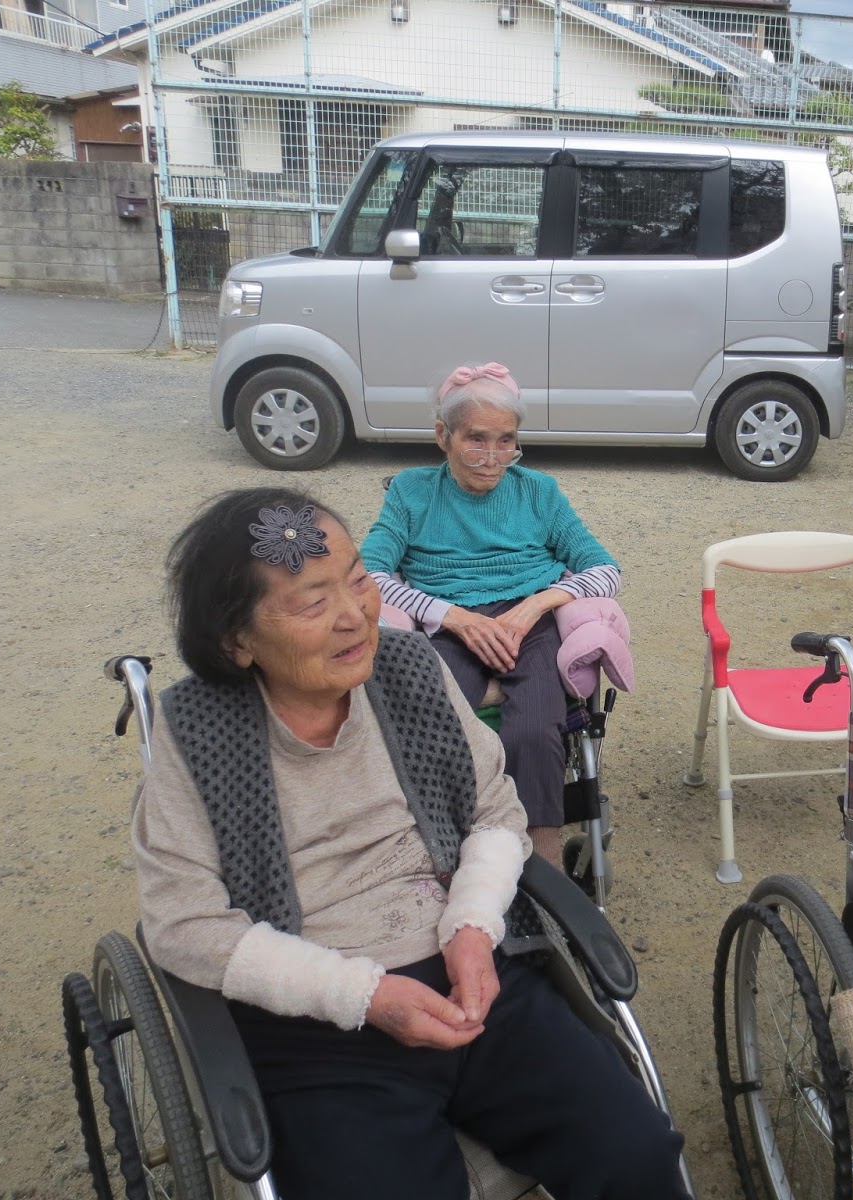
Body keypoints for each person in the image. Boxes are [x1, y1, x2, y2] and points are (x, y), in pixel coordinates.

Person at [133, 488, 685, 1200]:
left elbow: (494, 810)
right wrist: (364, 996)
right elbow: (183, 926)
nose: (353, 615)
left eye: (358, 580)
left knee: (637, 1156)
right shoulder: (198, 732)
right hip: (315, 1022)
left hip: (475, 979)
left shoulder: (410, 668)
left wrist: (474, 926)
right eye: (312, 602)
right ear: (236, 641)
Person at [362, 362, 621, 862]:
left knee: (534, 730)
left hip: (529, 621)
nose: (492, 458)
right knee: (439, 724)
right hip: (447, 620)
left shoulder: (538, 491)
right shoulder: (412, 492)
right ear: (443, 435)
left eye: (506, 441)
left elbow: (605, 569)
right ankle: (454, 848)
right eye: (476, 440)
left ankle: (543, 870)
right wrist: (453, 617)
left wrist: (535, 605)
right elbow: (368, 574)